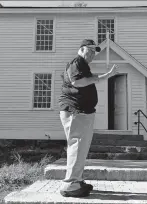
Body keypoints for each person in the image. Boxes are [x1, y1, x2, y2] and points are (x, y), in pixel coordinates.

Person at [58, 39, 118, 197]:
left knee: (80, 148)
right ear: (81, 49)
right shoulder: (77, 62)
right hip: (76, 111)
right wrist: (102, 76)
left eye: (94, 52)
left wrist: (107, 75)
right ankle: (70, 184)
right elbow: (76, 81)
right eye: (89, 51)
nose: (92, 54)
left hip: (82, 112)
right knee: (77, 146)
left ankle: (76, 180)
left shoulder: (83, 66)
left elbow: (86, 81)